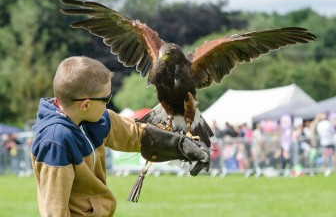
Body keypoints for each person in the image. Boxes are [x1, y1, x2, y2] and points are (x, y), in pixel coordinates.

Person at [31, 56, 210, 217]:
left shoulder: (96, 119)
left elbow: (136, 134)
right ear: (85, 105)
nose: (109, 103)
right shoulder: (55, 140)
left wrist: (181, 146)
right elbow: (54, 211)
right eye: (106, 99)